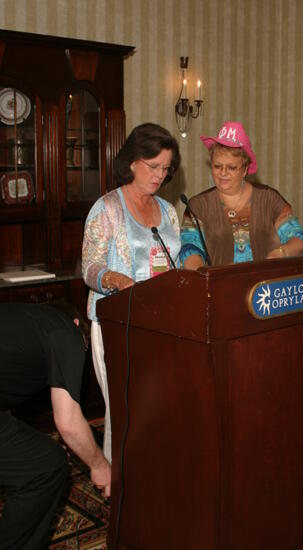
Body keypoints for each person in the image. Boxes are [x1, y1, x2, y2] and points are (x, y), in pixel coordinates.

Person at [82, 122, 181, 462]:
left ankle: (152, 477)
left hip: (160, 323)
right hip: (115, 323)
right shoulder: (107, 208)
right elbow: (90, 269)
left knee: (157, 407)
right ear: (132, 161)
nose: (159, 175)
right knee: (124, 408)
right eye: (154, 166)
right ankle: (119, 483)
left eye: (166, 169)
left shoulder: (168, 211)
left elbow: (176, 265)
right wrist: (117, 280)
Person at [0, 301, 111, 550]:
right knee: (46, 467)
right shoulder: (65, 330)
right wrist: (100, 465)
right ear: (76, 325)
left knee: (35, 455)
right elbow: (69, 424)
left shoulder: (22, 322)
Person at [180, 121, 303, 268]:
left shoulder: (269, 198)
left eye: (232, 167)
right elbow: (190, 248)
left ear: (245, 169)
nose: (223, 173)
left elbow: (300, 238)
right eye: (217, 166)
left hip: (267, 287)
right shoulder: (198, 205)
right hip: (220, 287)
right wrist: (203, 277)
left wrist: (281, 252)